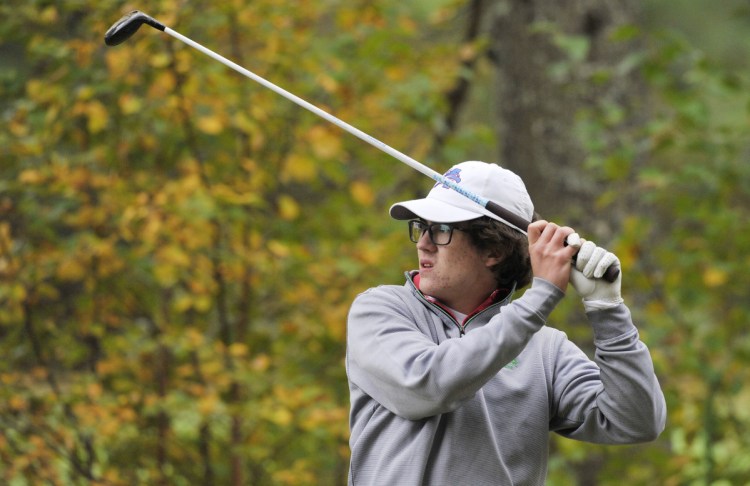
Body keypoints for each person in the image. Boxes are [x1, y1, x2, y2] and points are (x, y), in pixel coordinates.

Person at [345, 161, 666, 485]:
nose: (423, 243)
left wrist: (607, 310)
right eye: (420, 226)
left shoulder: (545, 350)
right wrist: (540, 299)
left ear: (493, 250)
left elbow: (636, 421)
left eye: (441, 229)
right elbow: (425, 385)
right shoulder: (380, 310)